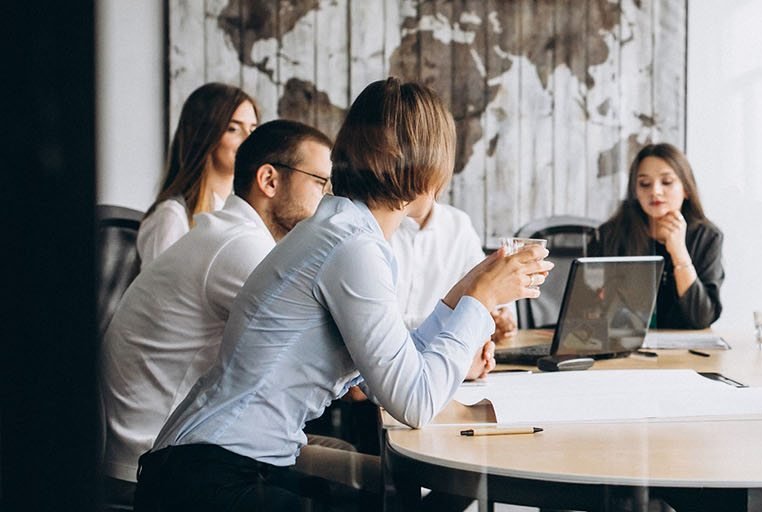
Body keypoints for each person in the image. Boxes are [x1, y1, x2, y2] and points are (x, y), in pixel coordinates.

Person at [135, 78, 552, 511]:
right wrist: (480, 300)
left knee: (437, 495)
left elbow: (391, 368)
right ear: (428, 168)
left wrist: (463, 293)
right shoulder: (351, 246)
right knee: (435, 497)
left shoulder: (346, 231)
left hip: (212, 465)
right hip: (209, 478)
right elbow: (415, 400)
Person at [99, 120, 336, 505]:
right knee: (345, 484)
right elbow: (323, 348)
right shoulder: (240, 249)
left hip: (177, 448)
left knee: (339, 465)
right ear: (269, 180)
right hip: (157, 464)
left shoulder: (229, 235)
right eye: (319, 182)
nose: (328, 199)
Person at [589, 143, 724, 329]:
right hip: (624, 346)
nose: (655, 191)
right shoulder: (610, 234)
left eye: (667, 182)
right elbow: (591, 309)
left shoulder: (707, 237)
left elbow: (701, 317)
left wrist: (680, 254)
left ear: (686, 189)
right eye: (644, 184)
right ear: (635, 191)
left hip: (686, 351)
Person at [139, 83, 259, 269]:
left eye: (253, 130)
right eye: (233, 129)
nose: (249, 140)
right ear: (203, 135)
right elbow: (157, 296)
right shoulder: (171, 217)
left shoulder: (241, 214)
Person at [393, 191, 517, 350]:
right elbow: (381, 327)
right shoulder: (379, 225)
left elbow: (486, 281)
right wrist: (465, 322)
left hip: (447, 350)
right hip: (399, 356)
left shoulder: (458, 224)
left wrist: (500, 316)